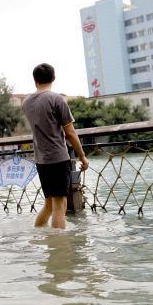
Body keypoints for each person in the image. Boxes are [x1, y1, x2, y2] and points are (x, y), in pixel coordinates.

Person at [21, 63, 89, 230]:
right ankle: (59, 250)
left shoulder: (26, 102)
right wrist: (82, 156)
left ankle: (38, 234)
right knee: (60, 205)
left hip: (41, 159)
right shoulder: (56, 99)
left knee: (49, 204)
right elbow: (70, 133)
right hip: (58, 158)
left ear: (35, 80)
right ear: (53, 78)